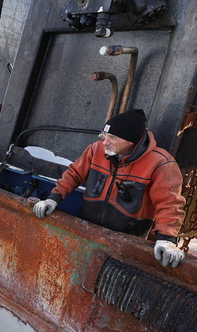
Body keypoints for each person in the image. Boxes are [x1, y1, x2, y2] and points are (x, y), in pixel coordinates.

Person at [33, 109, 187, 267]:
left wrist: (166, 240)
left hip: (126, 246)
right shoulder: (96, 150)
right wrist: (53, 199)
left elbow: (169, 203)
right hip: (87, 231)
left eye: (112, 137)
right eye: (104, 136)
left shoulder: (160, 163)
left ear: (131, 141)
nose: (105, 142)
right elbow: (74, 175)